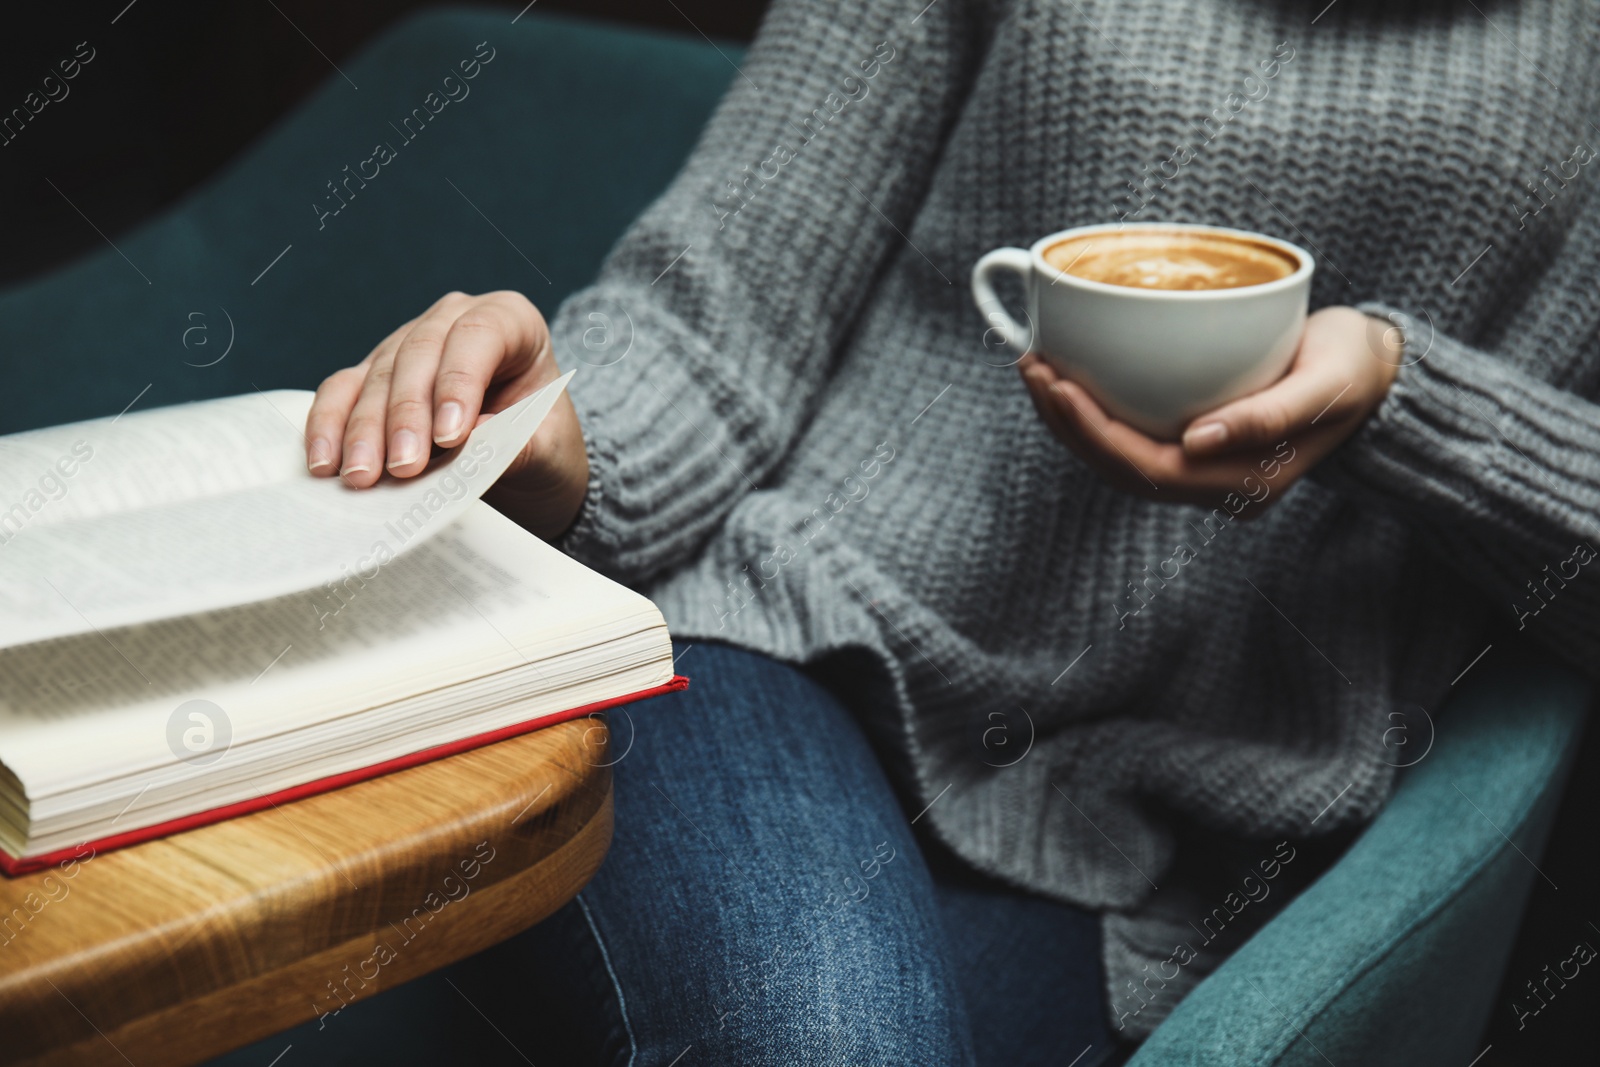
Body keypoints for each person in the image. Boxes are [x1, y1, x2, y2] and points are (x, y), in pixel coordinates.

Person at [296, 0, 1600, 1062]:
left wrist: (1404, 404)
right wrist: (562, 438)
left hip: (1158, 849)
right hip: (783, 643)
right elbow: (727, 301)